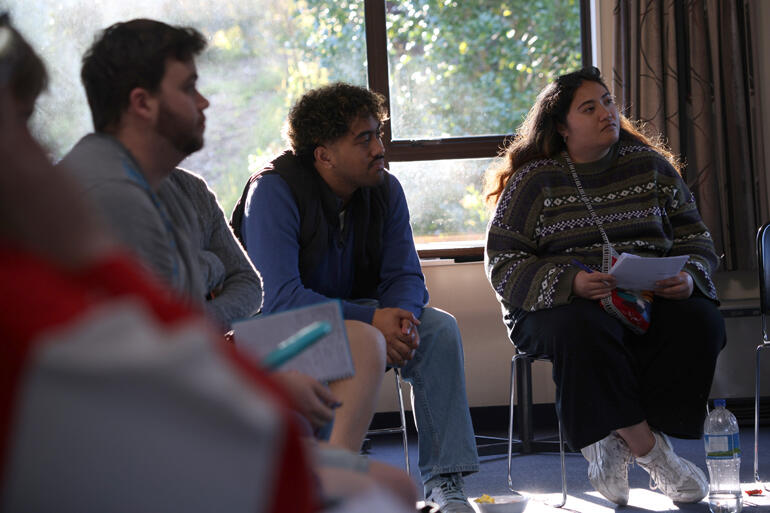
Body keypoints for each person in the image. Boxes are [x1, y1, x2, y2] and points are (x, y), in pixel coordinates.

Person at [0, 18, 415, 512]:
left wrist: (215, 308)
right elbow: (153, 361)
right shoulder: (111, 193)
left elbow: (249, 288)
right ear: (142, 102)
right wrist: (254, 373)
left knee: (361, 341)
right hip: (157, 410)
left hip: (221, 344)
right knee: (390, 492)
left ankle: (327, 465)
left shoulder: (183, 189)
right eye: (189, 87)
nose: (204, 102)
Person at [483, 66, 726, 505]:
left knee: (702, 320)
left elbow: (696, 238)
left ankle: (619, 436)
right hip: (556, 305)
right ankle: (652, 453)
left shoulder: (650, 166)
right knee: (584, 329)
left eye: (608, 102)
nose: (605, 113)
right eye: (589, 108)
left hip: (646, 294)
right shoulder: (534, 181)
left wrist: (689, 277)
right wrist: (571, 282)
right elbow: (503, 263)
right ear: (562, 126)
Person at [233, 82, 480, 512]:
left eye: (378, 134)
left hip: (357, 323)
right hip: (278, 335)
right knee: (365, 336)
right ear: (323, 154)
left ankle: (445, 482)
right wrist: (371, 323)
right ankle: (329, 479)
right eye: (363, 139)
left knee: (437, 328)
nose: (378, 148)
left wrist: (399, 316)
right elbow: (277, 300)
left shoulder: (385, 190)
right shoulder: (273, 192)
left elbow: (405, 273)